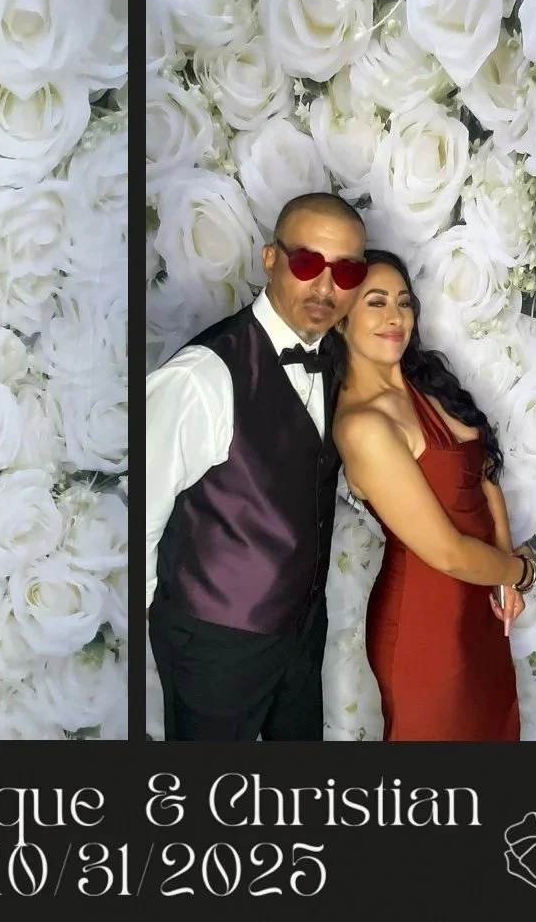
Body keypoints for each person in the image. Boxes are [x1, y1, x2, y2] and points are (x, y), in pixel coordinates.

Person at [146, 192, 368, 741]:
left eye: (345, 272)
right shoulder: (204, 376)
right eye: (307, 263)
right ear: (270, 258)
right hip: (213, 641)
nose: (324, 287)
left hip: (300, 630)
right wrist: (176, 634)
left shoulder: (341, 359)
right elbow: (141, 521)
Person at [332, 250, 536, 741]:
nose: (395, 316)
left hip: (481, 600)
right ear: (341, 320)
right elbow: (446, 552)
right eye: (375, 303)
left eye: (404, 302)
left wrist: (504, 574)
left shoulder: (426, 383)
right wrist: (523, 573)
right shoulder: (363, 425)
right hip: (429, 624)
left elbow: (484, 472)